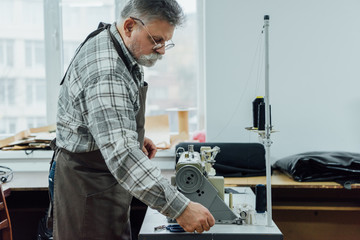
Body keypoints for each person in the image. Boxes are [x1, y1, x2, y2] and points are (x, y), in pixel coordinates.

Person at [50, 0, 215, 239]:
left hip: (104, 180)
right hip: (88, 188)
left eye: (166, 42)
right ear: (129, 26)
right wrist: (181, 208)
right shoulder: (107, 71)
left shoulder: (119, 46)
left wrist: (133, 134)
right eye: (157, 40)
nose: (161, 50)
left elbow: (103, 118)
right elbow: (123, 155)